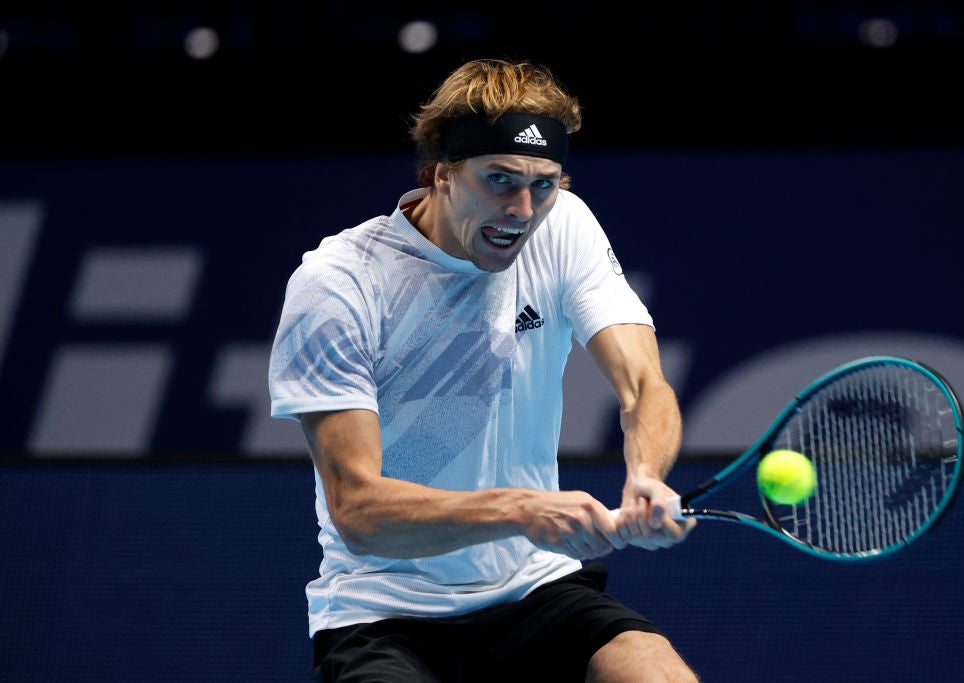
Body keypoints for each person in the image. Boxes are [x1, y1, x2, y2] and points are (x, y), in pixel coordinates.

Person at [268, 58, 701, 682]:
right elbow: (358, 509)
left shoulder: (563, 228)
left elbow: (643, 387)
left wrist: (646, 477)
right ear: (442, 173)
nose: (524, 210)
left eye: (545, 183)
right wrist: (521, 510)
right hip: (386, 613)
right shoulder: (339, 284)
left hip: (537, 591)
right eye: (500, 180)